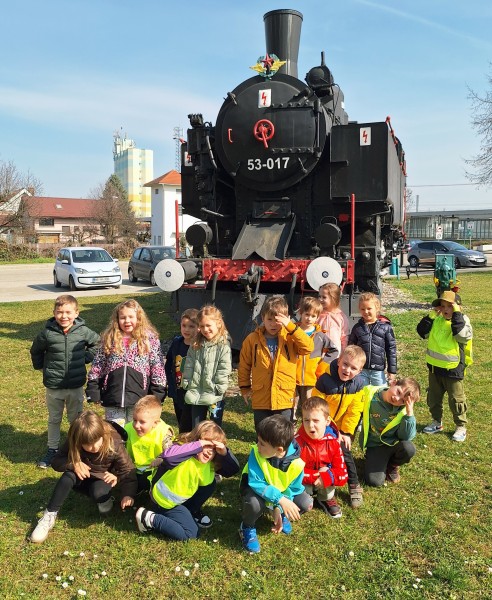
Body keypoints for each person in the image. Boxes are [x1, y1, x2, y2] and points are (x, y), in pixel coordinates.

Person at [30, 410, 137, 543]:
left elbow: (127, 470)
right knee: (68, 476)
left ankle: (105, 499)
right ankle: (49, 516)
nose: (94, 447)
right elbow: (56, 461)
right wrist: (73, 464)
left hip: (101, 479)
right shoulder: (74, 439)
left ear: (102, 435)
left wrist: (127, 493)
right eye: (88, 445)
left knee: (99, 493)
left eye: (97, 441)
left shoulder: (114, 443)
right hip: (80, 476)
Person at [135, 421, 239, 540]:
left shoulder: (209, 463)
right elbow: (168, 457)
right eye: (207, 444)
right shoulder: (183, 453)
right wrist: (199, 445)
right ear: (197, 440)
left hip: (176, 502)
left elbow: (233, 470)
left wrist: (225, 453)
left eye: (214, 449)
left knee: (210, 483)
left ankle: (191, 511)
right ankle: (149, 518)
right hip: (162, 502)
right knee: (190, 534)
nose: (210, 451)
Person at [30, 294, 100, 469]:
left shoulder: (83, 331)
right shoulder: (47, 334)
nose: (64, 316)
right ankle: (52, 449)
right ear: (54, 313)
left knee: (76, 420)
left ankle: (76, 448)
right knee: (54, 418)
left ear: (76, 313)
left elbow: (98, 343)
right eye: (60, 312)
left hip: (75, 386)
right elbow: (36, 350)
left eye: (68, 312)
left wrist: (86, 357)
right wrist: (41, 368)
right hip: (54, 386)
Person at [86, 299, 166, 426]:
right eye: (123, 318)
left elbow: (157, 367)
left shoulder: (149, 339)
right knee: (115, 431)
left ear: (138, 318)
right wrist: (93, 388)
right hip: (113, 396)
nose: (127, 321)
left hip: (139, 397)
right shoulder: (109, 338)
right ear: (117, 319)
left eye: (131, 317)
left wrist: (157, 393)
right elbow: (98, 364)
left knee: (136, 430)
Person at [238, 295, 314, 431]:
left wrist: (290, 326)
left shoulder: (290, 337)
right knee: (262, 433)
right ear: (262, 317)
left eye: (277, 320)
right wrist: (244, 387)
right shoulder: (252, 339)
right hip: (261, 397)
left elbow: (308, 347)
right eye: (269, 319)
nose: (273, 324)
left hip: (284, 397)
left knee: (283, 434)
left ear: (286, 319)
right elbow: (244, 365)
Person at [239, 415, 312, 553]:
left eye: (262, 443)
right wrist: (280, 500)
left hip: (279, 495)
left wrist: (279, 508)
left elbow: (293, 489)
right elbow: (256, 483)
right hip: (255, 490)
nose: (257, 445)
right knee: (254, 504)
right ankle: (247, 527)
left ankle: (277, 513)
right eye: (258, 441)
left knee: (305, 502)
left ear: (279, 449)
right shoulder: (256, 452)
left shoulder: (297, 464)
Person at [314, 345, 367, 508]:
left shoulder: (359, 385)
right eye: (345, 364)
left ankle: (354, 485)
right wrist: (329, 430)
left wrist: (345, 432)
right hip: (321, 424)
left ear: (360, 371)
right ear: (338, 361)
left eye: (353, 368)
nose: (347, 370)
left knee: (344, 451)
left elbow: (354, 411)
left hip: (342, 428)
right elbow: (317, 408)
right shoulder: (324, 380)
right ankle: (311, 483)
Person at [417, 290, 473, 442]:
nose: (445, 309)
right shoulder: (437, 320)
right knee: (434, 398)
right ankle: (436, 422)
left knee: (456, 399)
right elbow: (422, 332)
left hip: (453, 369)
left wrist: (457, 315)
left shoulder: (462, 321)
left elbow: (461, 335)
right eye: (442, 306)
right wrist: (431, 316)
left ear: (458, 307)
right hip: (435, 368)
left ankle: (460, 426)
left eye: (450, 306)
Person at [360, 378, 420, 486]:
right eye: (398, 392)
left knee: (409, 448)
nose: (396, 399)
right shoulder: (370, 393)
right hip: (375, 445)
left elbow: (406, 437)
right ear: (393, 383)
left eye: (403, 401)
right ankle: (376, 460)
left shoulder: (403, 410)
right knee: (375, 482)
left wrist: (409, 414)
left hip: (393, 444)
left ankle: (392, 465)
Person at [180, 305, 232, 432]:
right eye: (202, 326)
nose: (205, 329)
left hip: (214, 394)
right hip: (196, 392)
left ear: (218, 324)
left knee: (215, 427)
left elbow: (224, 368)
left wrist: (219, 387)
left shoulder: (223, 345)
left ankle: (215, 445)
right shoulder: (196, 343)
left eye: (208, 325)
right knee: (197, 427)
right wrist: (187, 381)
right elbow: (189, 364)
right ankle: (198, 444)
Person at [295, 396, 348, 518]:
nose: (310, 425)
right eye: (306, 420)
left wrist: (327, 476)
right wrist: (317, 476)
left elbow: (343, 474)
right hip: (305, 481)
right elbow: (293, 472)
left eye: (316, 420)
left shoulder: (333, 442)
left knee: (327, 471)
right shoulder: (296, 443)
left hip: (324, 480)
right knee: (302, 495)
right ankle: (304, 498)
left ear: (327, 421)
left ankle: (325, 498)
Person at [295, 296, 338, 419]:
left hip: (311, 376)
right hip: (293, 375)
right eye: (307, 314)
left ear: (317, 317)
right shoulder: (294, 332)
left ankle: (308, 421)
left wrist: (322, 366)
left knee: (309, 402)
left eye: (313, 316)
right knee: (292, 401)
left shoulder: (320, 336)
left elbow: (334, 350)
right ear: (300, 313)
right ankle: (292, 420)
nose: (309, 318)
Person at [124, 395, 174, 494]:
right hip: (133, 468)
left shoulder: (164, 432)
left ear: (155, 423)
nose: (136, 425)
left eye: (142, 422)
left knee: (146, 483)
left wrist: (160, 460)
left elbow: (170, 455)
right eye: (134, 420)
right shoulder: (128, 428)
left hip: (154, 469)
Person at [348, 292, 397, 386]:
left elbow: (391, 350)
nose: (366, 312)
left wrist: (392, 370)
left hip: (378, 370)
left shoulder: (385, 328)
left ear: (377, 308)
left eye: (369, 308)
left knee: (380, 392)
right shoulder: (357, 328)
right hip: (361, 369)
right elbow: (350, 348)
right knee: (361, 391)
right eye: (362, 309)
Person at [164, 308, 198, 431]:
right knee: (181, 421)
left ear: (198, 328)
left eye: (191, 326)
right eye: (184, 325)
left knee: (193, 423)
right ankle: (183, 440)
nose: (186, 329)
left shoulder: (199, 346)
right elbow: (169, 363)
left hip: (193, 391)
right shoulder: (177, 343)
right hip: (178, 390)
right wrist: (169, 381)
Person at [318, 282, 350, 354]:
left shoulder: (341, 317)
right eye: (319, 296)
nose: (320, 299)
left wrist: (343, 353)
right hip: (318, 352)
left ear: (333, 298)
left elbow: (344, 337)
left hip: (335, 354)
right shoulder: (317, 314)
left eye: (324, 297)